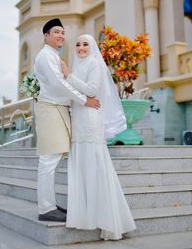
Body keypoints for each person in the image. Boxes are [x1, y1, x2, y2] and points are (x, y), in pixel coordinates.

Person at [61, 34, 136, 239]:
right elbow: (76, 93)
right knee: (82, 165)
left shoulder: (93, 64)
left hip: (90, 120)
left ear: (92, 47)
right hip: (78, 119)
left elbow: (92, 90)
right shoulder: (78, 66)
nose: (81, 48)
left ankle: (107, 219)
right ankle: (85, 214)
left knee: (96, 164)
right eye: (78, 44)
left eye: (85, 44)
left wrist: (68, 76)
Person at [33, 19, 100, 222]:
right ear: (46, 35)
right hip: (51, 110)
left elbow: (58, 84)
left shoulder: (53, 56)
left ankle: (49, 205)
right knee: (49, 159)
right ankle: (46, 209)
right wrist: (84, 100)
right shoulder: (46, 56)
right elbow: (59, 85)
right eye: (56, 32)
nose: (61, 35)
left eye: (63, 32)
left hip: (57, 110)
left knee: (53, 159)